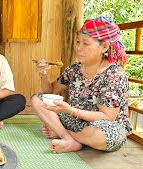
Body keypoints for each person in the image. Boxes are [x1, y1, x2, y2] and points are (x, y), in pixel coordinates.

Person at [31, 16, 131, 153]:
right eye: (78, 42)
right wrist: (43, 75)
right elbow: (50, 92)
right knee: (38, 99)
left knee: (101, 136)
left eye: (86, 44)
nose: (78, 48)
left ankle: (64, 134)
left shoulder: (114, 75)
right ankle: (68, 139)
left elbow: (107, 117)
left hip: (104, 127)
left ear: (104, 46)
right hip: (75, 121)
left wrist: (70, 111)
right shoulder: (74, 69)